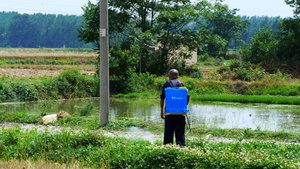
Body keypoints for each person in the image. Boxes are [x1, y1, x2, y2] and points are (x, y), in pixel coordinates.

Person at [160, 69, 189, 146]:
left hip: (169, 113)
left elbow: (162, 98)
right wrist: (184, 109)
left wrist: (162, 112)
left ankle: (168, 150)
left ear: (169, 76)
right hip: (180, 114)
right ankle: (181, 149)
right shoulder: (181, 84)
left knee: (168, 134)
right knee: (180, 134)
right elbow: (187, 98)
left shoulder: (166, 84)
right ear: (177, 76)